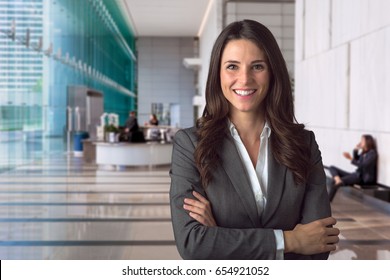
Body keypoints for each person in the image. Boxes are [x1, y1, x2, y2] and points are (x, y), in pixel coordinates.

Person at [169, 19, 339, 260]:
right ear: (218, 73)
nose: (245, 79)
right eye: (232, 67)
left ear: (272, 72)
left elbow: (319, 244)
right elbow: (193, 244)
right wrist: (291, 240)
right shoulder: (190, 144)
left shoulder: (304, 143)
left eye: (257, 66)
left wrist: (221, 235)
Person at [328, 134, 378, 202]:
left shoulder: (372, 154)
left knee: (334, 182)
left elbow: (363, 165)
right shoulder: (364, 152)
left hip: (362, 178)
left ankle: (327, 201)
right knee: (331, 167)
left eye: (362, 140)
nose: (360, 142)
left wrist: (350, 158)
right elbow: (357, 159)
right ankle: (338, 179)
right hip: (356, 174)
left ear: (368, 142)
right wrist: (355, 150)